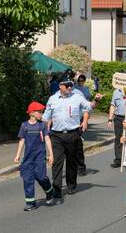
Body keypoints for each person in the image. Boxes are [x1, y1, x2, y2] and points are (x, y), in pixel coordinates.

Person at [42, 70, 104, 198]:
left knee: (71, 162)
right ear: (60, 86)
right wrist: (43, 132)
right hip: (57, 136)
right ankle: (57, 188)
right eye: (67, 85)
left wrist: (96, 100)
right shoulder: (52, 99)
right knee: (57, 163)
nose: (70, 87)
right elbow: (46, 117)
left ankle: (71, 184)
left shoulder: (77, 96)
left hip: (72, 134)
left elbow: (89, 106)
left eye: (71, 85)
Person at [14, 101, 55, 211]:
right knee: (27, 179)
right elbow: (22, 140)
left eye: (42, 112)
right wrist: (17, 155)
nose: (41, 114)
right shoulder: (24, 125)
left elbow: (47, 139)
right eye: (39, 112)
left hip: (40, 156)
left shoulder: (42, 125)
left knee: (41, 176)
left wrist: (51, 154)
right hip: (28, 157)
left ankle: (50, 191)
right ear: (32, 113)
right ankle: (30, 203)